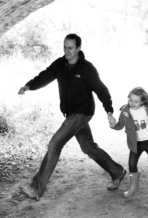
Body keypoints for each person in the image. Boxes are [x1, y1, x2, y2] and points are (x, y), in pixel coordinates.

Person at [17, 33, 126, 200]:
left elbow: (101, 90)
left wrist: (109, 111)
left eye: (70, 48)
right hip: (71, 114)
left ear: (78, 48)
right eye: (64, 47)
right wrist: (29, 86)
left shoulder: (86, 69)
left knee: (55, 144)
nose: (66, 51)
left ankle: (36, 188)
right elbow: (46, 75)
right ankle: (117, 171)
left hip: (82, 113)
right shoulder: (60, 64)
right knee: (88, 147)